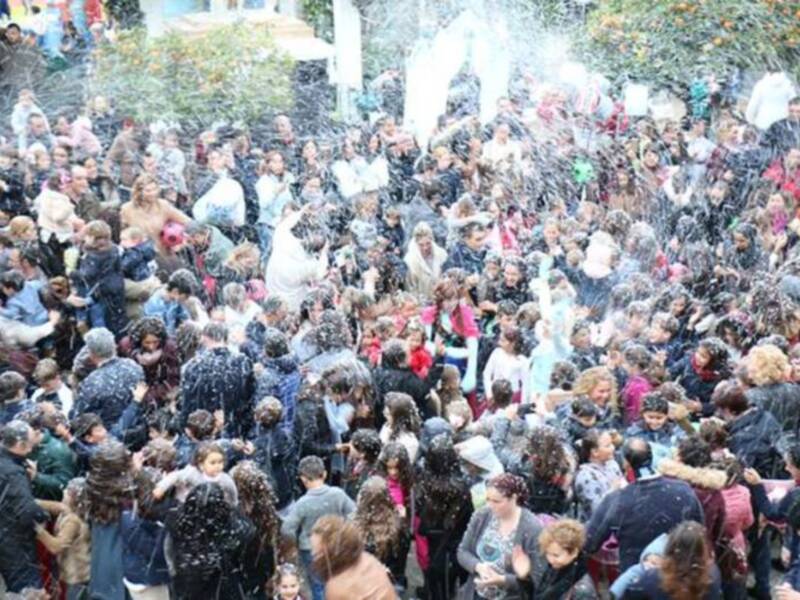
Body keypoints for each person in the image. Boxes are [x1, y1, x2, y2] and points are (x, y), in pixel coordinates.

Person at [585, 437, 705, 571]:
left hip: (637, 578)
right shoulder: (684, 490)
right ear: (652, 457)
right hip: (679, 575)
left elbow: (590, 543)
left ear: (626, 463)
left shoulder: (617, 500)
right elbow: (699, 531)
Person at [457, 473, 544, 600]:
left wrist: (503, 580)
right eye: (488, 499)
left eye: (496, 501)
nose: (490, 505)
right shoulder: (482, 516)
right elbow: (462, 551)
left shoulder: (532, 528)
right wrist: (478, 567)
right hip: (476, 594)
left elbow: (537, 577)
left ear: (514, 498)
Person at [281, 455, 356, 600]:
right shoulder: (338, 494)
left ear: (303, 479)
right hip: (335, 545)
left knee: (318, 585)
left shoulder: (302, 503)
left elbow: (287, 528)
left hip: (310, 550)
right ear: (325, 474)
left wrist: (293, 545)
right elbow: (354, 514)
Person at [0, 420, 50, 594]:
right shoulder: (13, 473)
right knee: (27, 588)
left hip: (4, 532)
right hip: (14, 541)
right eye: (30, 444)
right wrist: (43, 516)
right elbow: (27, 511)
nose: (32, 449)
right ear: (20, 444)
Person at [621, 520, 722, 600]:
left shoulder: (651, 579)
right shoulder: (712, 577)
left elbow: (629, 594)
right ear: (704, 550)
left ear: (669, 549)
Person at [309, 514, 397, 600]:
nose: (313, 554)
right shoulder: (367, 558)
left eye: (318, 552)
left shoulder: (337, 586)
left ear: (330, 551)